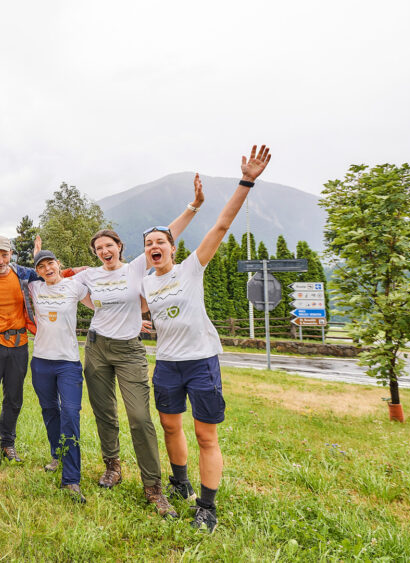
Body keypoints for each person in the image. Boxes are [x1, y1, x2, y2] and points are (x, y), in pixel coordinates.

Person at [142, 145, 272, 532]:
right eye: (148, 244)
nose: (154, 248)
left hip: (201, 360)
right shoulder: (146, 283)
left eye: (160, 242)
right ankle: (180, 482)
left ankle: (207, 507)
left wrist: (246, 181)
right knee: (169, 426)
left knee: (204, 434)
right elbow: (137, 312)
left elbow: (220, 226)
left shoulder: (191, 268)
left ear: (172, 248)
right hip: (166, 364)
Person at [75, 175, 204, 518]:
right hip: (97, 348)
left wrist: (192, 207)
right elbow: (73, 291)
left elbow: (168, 234)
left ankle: (153, 487)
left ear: (120, 247)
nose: (104, 251)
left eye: (109, 245)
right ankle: (113, 466)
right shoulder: (90, 275)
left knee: (139, 418)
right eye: (98, 248)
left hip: (130, 350)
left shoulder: (137, 267)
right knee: (104, 413)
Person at [0, 235, 84, 468]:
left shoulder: (22, 275)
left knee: (14, 397)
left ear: (11, 254)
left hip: (19, 344)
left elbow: (49, 274)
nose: (0, 260)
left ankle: (8, 443)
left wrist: (81, 270)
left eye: (4, 255)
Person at [28, 249, 94, 503]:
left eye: (50, 263)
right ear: (38, 272)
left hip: (68, 363)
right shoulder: (34, 288)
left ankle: (72, 479)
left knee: (70, 414)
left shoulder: (74, 287)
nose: (47, 269)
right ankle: (57, 455)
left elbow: (99, 306)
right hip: (42, 362)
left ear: (59, 264)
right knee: (49, 411)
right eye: (41, 266)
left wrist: (131, 317)